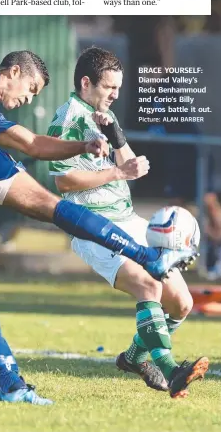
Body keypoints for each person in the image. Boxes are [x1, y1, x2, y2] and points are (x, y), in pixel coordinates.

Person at [0, 50, 197, 405]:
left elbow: (33, 144)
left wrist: (83, 145)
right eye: (30, 88)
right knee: (49, 206)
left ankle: (8, 381)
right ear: (13, 71)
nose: (28, 98)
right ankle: (147, 256)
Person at [47, 46, 208, 398]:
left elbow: (130, 166)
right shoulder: (68, 119)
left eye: (119, 87)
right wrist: (118, 171)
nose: (116, 94)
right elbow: (62, 181)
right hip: (93, 228)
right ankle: (172, 371)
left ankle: (135, 358)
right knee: (147, 287)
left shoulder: (104, 116)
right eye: (109, 87)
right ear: (86, 83)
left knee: (181, 303)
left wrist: (124, 155)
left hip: (129, 220)